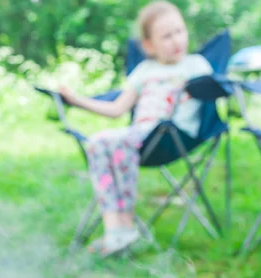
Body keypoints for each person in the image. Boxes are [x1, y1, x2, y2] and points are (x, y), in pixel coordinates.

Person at [59, 1, 212, 257]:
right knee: (97, 143)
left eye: (180, 31)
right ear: (149, 45)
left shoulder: (196, 65)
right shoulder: (144, 71)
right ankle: (114, 230)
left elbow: (215, 91)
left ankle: (126, 223)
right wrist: (75, 100)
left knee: (116, 142)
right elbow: (117, 109)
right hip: (140, 136)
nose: (176, 40)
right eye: (166, 36)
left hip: (173, 136)